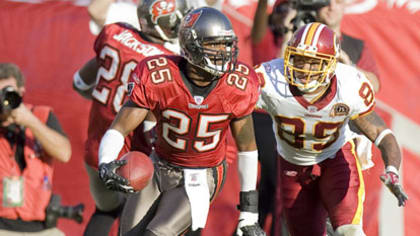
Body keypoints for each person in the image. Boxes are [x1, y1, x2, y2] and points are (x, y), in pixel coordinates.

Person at [97, 7, 266, 236]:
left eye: (226, 44)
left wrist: (249, 212)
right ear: (190, 45)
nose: (223, 52)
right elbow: (120, 126)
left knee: (157, 234)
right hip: (159, 165)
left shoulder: (238, 84)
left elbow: (247, 149)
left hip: (201, 175)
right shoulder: (160, 75)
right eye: (214, 44)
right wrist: (106, 160)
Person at [254, 22, 408, 236]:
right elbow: (231, 104)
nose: (303, 69)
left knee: (349, 231)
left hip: (335, 159)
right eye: (299, 59)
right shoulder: (270, 78)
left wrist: (392, 168)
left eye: (313, 63)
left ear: (330, 65)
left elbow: (381, 134)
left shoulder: (349, 85)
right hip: (292, 166)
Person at [72, 1, 189, 235]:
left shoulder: (115, 34)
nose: (177, 24)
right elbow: (152, 121)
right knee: (137, 223)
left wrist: (109, 102)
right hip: (133, 155)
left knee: (105, 210)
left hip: (96, 148)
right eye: (173, 19)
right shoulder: (168, 61)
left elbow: (80, 83)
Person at [0, 63, 72, 236]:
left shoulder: (42, 116)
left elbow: (64, 153)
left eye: (8, 92)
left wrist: (30, 121)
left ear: (21, 92)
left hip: (41, 228)